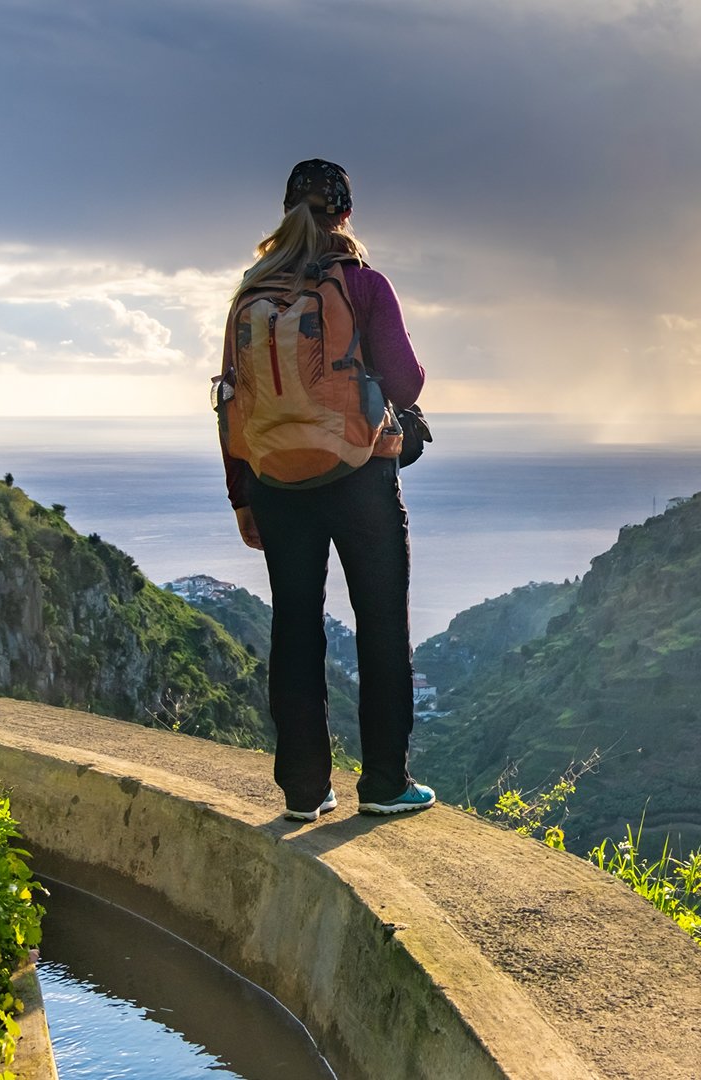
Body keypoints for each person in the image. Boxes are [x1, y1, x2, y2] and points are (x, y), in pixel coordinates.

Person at [220, 158, 435, 821]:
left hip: (276, 484)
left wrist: (243, 497)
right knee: (379, 624)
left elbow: (231, 402)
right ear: (345, 214)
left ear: (285, 212)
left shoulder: (250, 295)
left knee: (294, 628)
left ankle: (305, 791)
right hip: (359, 477)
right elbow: (405, 384)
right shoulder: (362, 285)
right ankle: (385, 784)